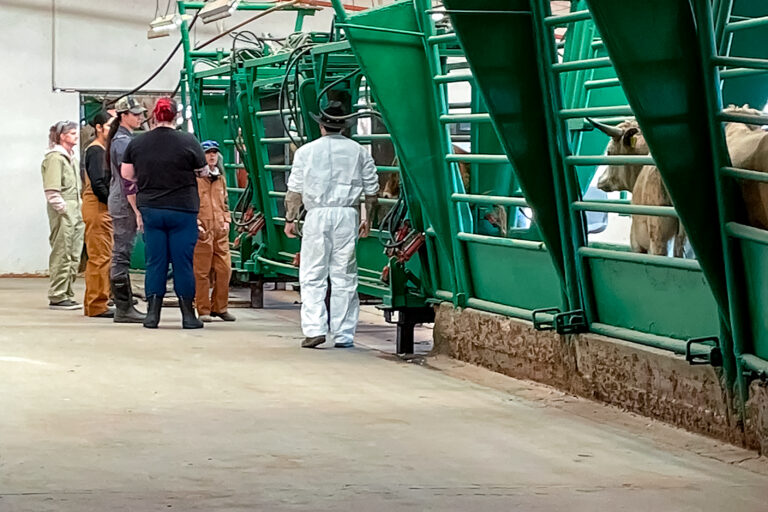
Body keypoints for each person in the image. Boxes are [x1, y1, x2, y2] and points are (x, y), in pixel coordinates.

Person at [284, 101, 379, 349]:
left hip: (316, 215)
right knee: (344, 275)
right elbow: (372, 190)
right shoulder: (359, 151)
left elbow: (294, 190)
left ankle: (315, 328)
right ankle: (344, 333)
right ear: (344, 127)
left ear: (321, 126)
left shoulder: (305, 152)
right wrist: (367, 218)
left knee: (313, 274)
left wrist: (290, 219)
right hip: (347, 215)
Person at [121, 98, 207, 329]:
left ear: (154, 116)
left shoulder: (138, 142)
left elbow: (127, 174)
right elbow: (203, 171)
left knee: (155, 261)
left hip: (152, 209)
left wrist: (149, 175)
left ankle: (152, 315)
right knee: (183, 263)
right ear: (175, 116)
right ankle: (188, 316)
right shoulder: (188, 140)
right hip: (183, 209)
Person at [107, 96, 146, 323]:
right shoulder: (122, 143)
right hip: (124, 202)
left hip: (122, 199)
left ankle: (126, 303)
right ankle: (123, 308)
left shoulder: (124, 139)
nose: (140, 117)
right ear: (124, 116)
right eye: (136, 114)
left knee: (123, 251)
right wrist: (137, 209)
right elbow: (128, 179)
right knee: (121, 253)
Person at [41, 120, 85, 309]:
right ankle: (57, 294)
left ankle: (67, 291)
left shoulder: (72, 158)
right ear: (62, 136)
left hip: (76, 208)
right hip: (64, 209)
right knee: (62, 250)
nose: (76, 136)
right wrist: (63, 209)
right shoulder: (55, 158)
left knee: (74, 251)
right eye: (72, 133)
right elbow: (52, 189)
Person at [193, 140, 235, 323]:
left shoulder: (220, 179)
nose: (212, 156)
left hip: (219, 230)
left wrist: (226, 220)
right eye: (208, 152)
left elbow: (225, 203)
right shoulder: (195, 180)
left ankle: (220, 307)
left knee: (225, 269)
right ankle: (203, 309)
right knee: (201, 272)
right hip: (203, 229)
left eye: (214, 153)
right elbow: (190, 202)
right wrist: (196, 223)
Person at [81, 111, 115, 318]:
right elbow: (98, 183)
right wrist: (113, 203)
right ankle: (96, 304)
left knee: (103, 256)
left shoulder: (103, 150)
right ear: (99, 128)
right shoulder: (96, 151)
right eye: (110, 126)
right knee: (99, 257)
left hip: (101, 206)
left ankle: (97, 300)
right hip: (98, 207)